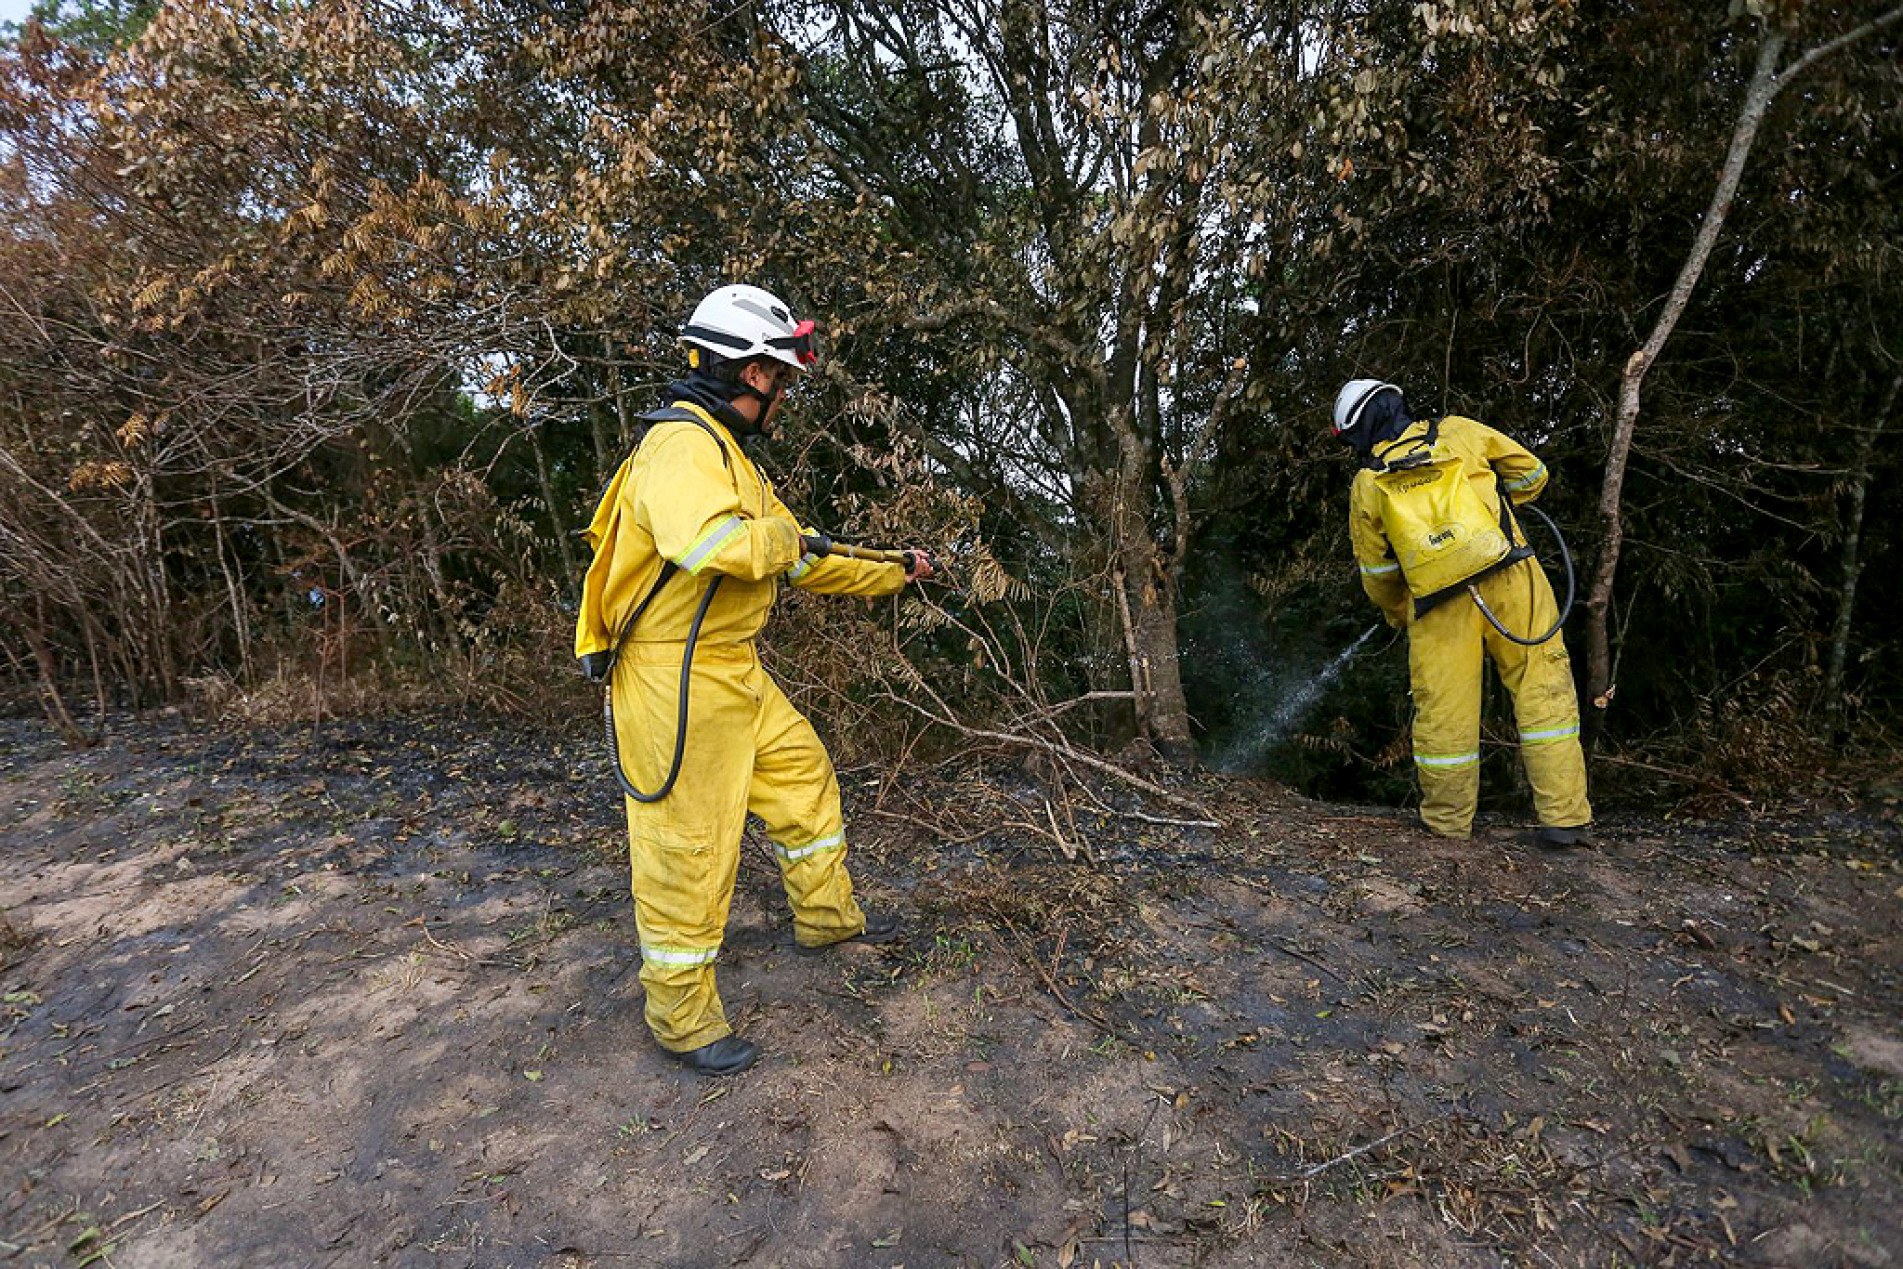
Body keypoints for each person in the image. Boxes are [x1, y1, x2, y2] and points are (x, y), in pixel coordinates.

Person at [574, 284, 934, 1076]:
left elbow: (800, 555)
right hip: (673, 677)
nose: (782, 393)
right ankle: (682, 1017)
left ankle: (828, 921)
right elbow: (717, 546)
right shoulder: (678, 447)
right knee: (688, 846)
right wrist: (779, 535)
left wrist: (895, 571)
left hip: (732, 667)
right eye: (777, 376)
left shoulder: (726, 454)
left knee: (804, 780)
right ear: (738, 369)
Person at [1334, 378, 1591, 848]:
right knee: (1543, 691)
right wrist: (1497, 507)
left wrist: (1400, 612)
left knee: (1444, 712)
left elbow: (1377, 572)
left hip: (1436, 603)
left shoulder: (1368, 482)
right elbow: (1532, 474)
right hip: (1512, 576)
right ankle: (1565, 819)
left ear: (1357, 431)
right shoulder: (1459, 432)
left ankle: (1448, 826)